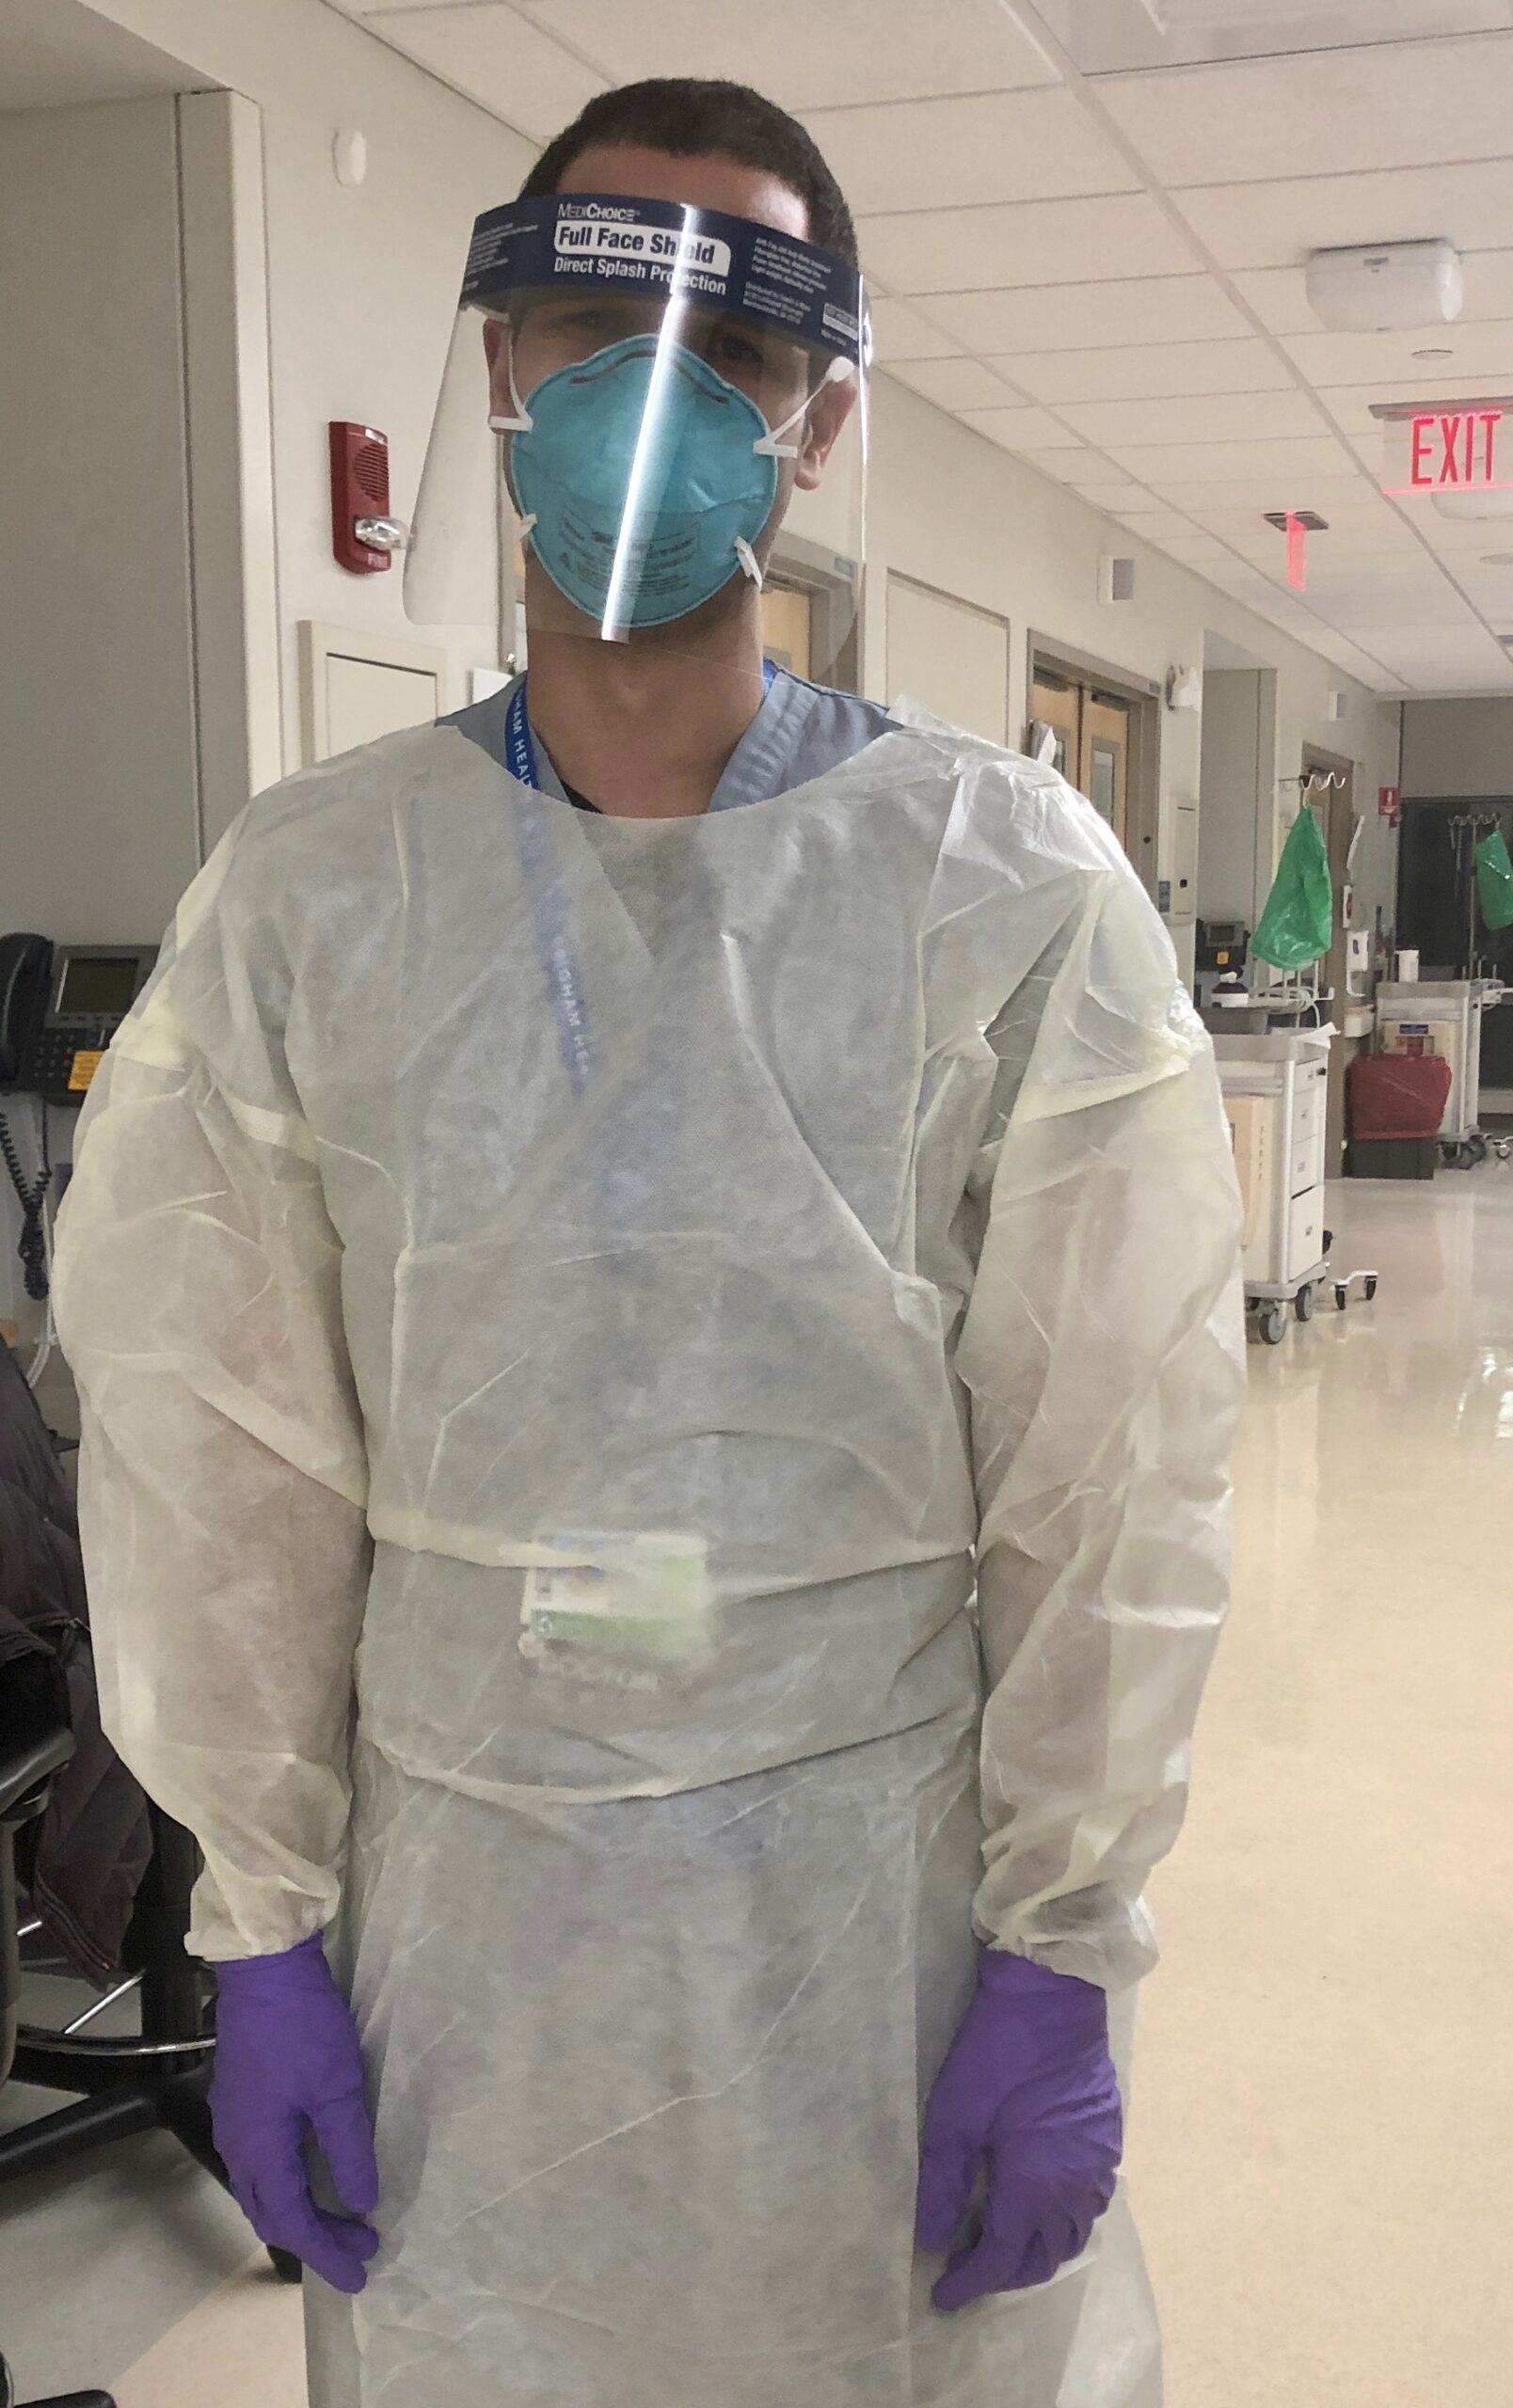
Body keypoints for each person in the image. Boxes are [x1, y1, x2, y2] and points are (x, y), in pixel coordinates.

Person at [54, 77, 1245, 2408]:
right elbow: (221, 1456)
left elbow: (1113, 1473)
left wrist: (1058, 1940)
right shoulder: (308, 900)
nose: (650, 403)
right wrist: (263, 1918)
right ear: (497, 359)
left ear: (814, 423)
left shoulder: (996, 888)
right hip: (455, 1919)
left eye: (734, 355)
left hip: (874, 1908)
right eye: (597, 318)